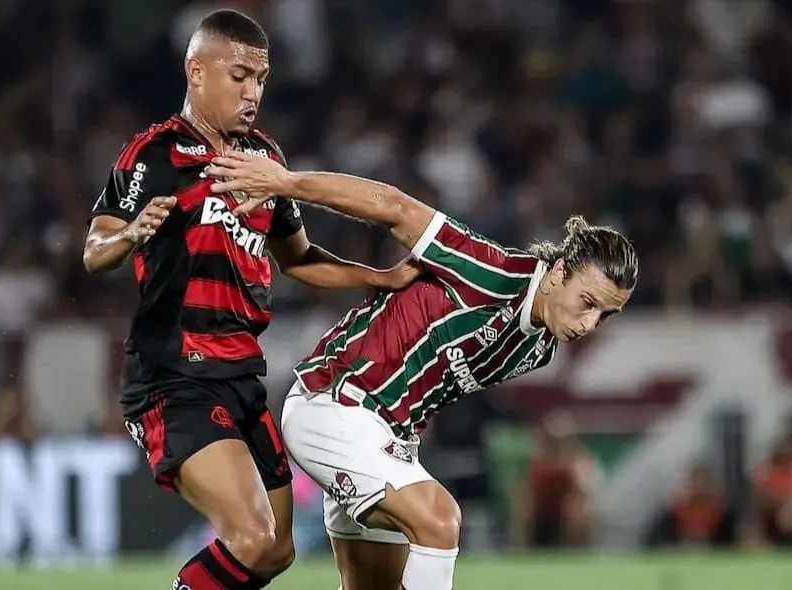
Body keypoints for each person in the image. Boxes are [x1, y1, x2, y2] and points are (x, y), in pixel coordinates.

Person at [81, 9, 416, 590]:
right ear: (196, 71)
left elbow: (299, 259)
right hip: (173, 374)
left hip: (242, 377)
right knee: (253, 537)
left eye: (260, 79)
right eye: (239, 75)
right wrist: (131, 235)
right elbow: (94, 248)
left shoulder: (266, 161)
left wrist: (380, 278)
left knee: (275, 551)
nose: (252, 91)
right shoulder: (155, 154)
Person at [206, 151, 637, 590]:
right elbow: (393, 206)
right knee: (440, 519)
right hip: (334, 403)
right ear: (559, 271)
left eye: (605, 315)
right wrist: (287, 183)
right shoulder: (490, 270)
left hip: (386, 439)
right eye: (588, 302)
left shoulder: (539, 348)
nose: (590, 324)